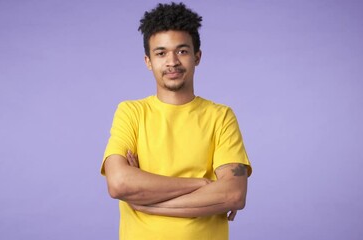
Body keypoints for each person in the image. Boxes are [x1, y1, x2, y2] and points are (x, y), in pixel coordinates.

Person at [101, 2, 252, 239]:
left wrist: (145, 201)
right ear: (148, 61)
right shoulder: (131, 112)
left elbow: (233, 194)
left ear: (197, 56)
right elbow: (119, 183)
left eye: (182, 51)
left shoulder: (221, 117)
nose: (172, 61)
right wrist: (202, 185)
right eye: (161, 53)